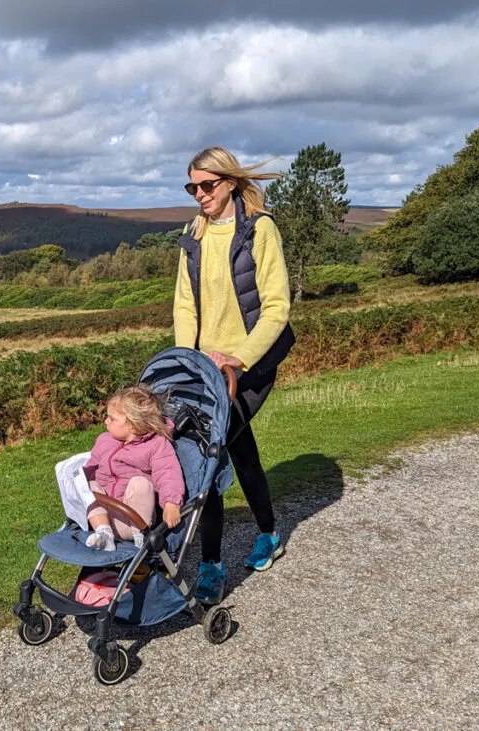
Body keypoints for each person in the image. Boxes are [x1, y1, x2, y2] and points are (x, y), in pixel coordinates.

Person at [173, 146, 295, 605]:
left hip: (251, 365)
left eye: (207, 185)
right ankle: (268, 533)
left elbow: (278, 307)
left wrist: (238, 360)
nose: (200, 194)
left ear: (229, 182)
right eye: (193, 187)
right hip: (206, 369)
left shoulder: (260, 230)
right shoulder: (194, 234)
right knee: (241, 453)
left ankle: (210, 565)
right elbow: (185, 303)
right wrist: (188, 360)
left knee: (209, 453)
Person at [83, 385, 186, 551]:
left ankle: (141, 539)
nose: (105, 422)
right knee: (89, 483)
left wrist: (171, 503)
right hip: (104, 517)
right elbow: (91, 466)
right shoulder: (105, 440)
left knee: (141, 483)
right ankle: (105, 535)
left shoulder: (156, 444)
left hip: (135, 520)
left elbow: (167, 473)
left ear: (133, 425)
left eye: (112, 418)